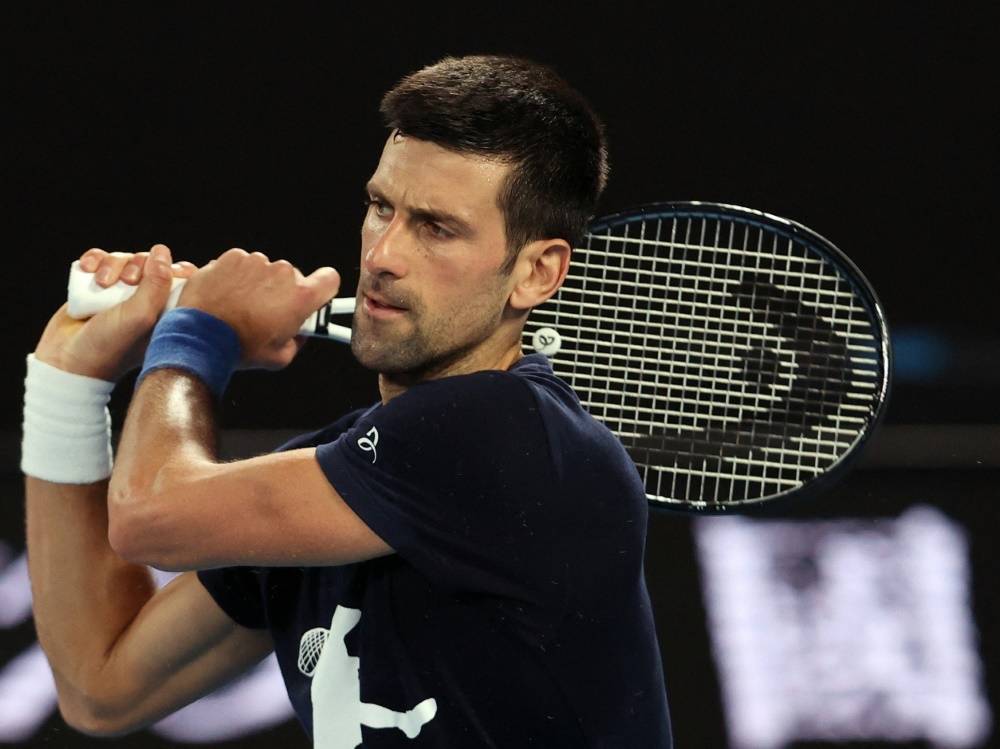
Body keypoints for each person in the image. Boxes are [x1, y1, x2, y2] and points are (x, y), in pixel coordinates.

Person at [22, 55, 672, 747]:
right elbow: (101, 687)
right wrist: (67, 378)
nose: (383, 253)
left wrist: (198, 330)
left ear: (537, 272)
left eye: (436, 227)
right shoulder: (340, 477)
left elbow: (147, 515)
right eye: (381, 206)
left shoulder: (510, 430)